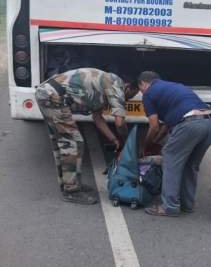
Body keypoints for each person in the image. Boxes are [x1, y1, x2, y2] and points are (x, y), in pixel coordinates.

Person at [35, 68, 137, 205]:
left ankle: (68, 184)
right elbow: (120, 122)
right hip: (52, 96)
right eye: (129, 95)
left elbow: (97, 118)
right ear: (128, 85)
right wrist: (126, 142)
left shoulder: (104, 85)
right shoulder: (116, 84)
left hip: (48, 94)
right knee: (73, 143)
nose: (126, 99)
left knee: (63, 141)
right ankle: (71, 191)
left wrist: (113, 139)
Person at [137, 71, 211, 217]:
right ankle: (188, 204)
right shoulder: (173, 87)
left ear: (144, 84)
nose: (141, 92)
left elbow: (154, 126)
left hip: (190, 124)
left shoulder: (148, 93)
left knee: (169, 159)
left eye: (140, 88)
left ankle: (169, 206)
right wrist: (156, 140)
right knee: (191, 164)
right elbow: (167, 124)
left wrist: (145, 145)